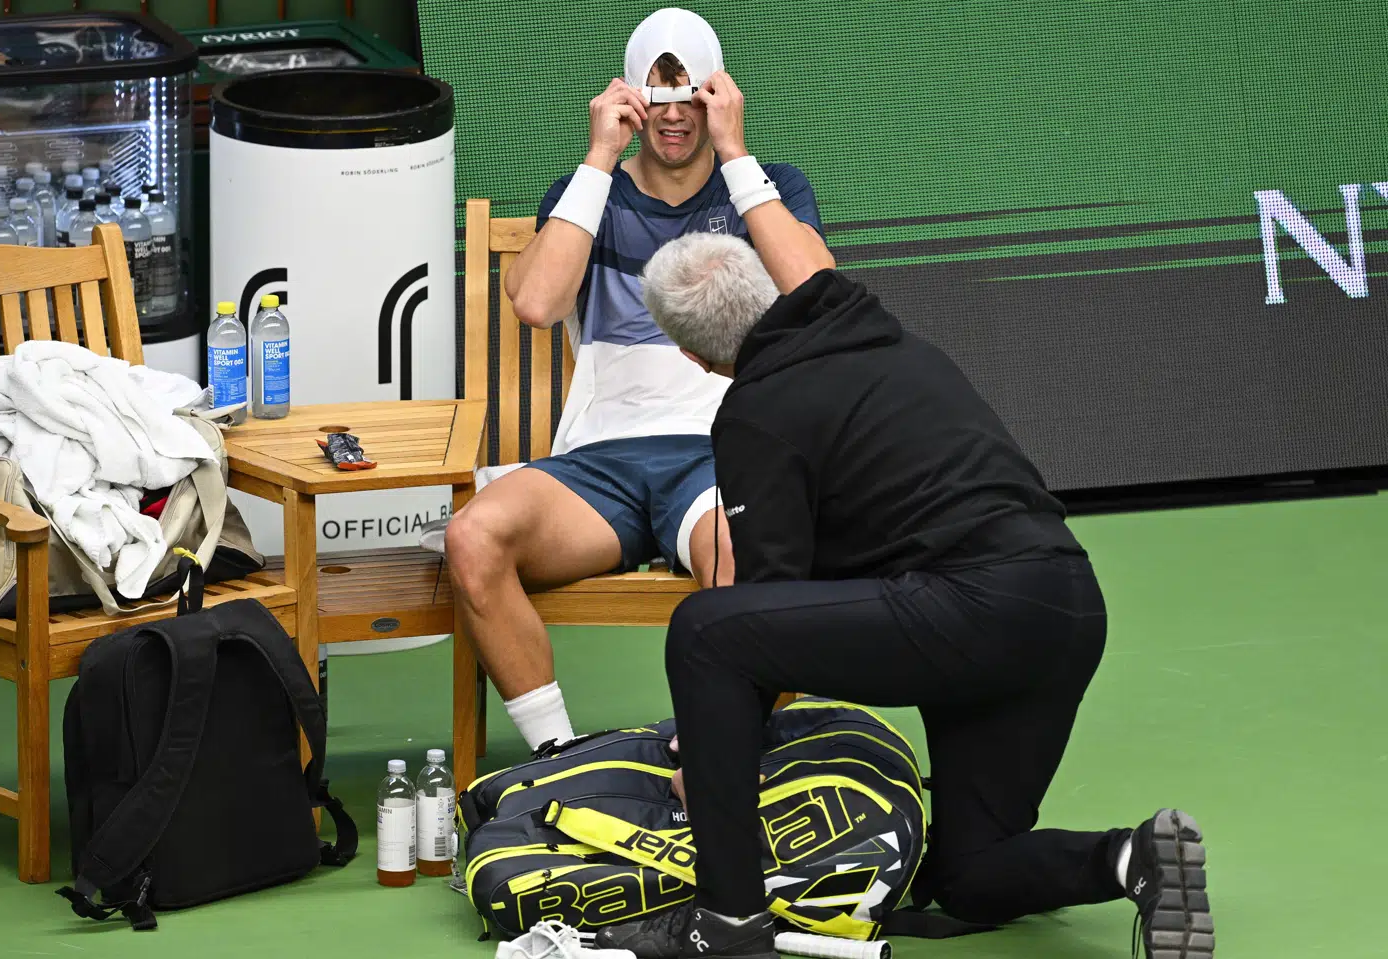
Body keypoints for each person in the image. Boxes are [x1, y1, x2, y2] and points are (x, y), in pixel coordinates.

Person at [595, 233, 1214, 959]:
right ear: (770, 290)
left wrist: (712, 755)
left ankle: (727, 922)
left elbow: (767, 604)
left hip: (967, 609)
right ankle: (1131, 856)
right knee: (971, 873)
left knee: (706, 631)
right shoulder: (891, 340)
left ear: (693, 357)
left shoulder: (755, 411)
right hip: (1066, 605)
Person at [444, 7, 833, 754]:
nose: (675, 117)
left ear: (718, 94)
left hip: (722, 456)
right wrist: (598, 159)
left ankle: (719, 751)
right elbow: (535, 302)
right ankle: (561, 756)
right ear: (630, 99)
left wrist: (736, 153)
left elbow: (817, 288)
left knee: (763, 556)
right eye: (659, 99)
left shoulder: (766, 187)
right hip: (600, 466)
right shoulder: (589, 194)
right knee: (474, 534)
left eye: (692, 97)